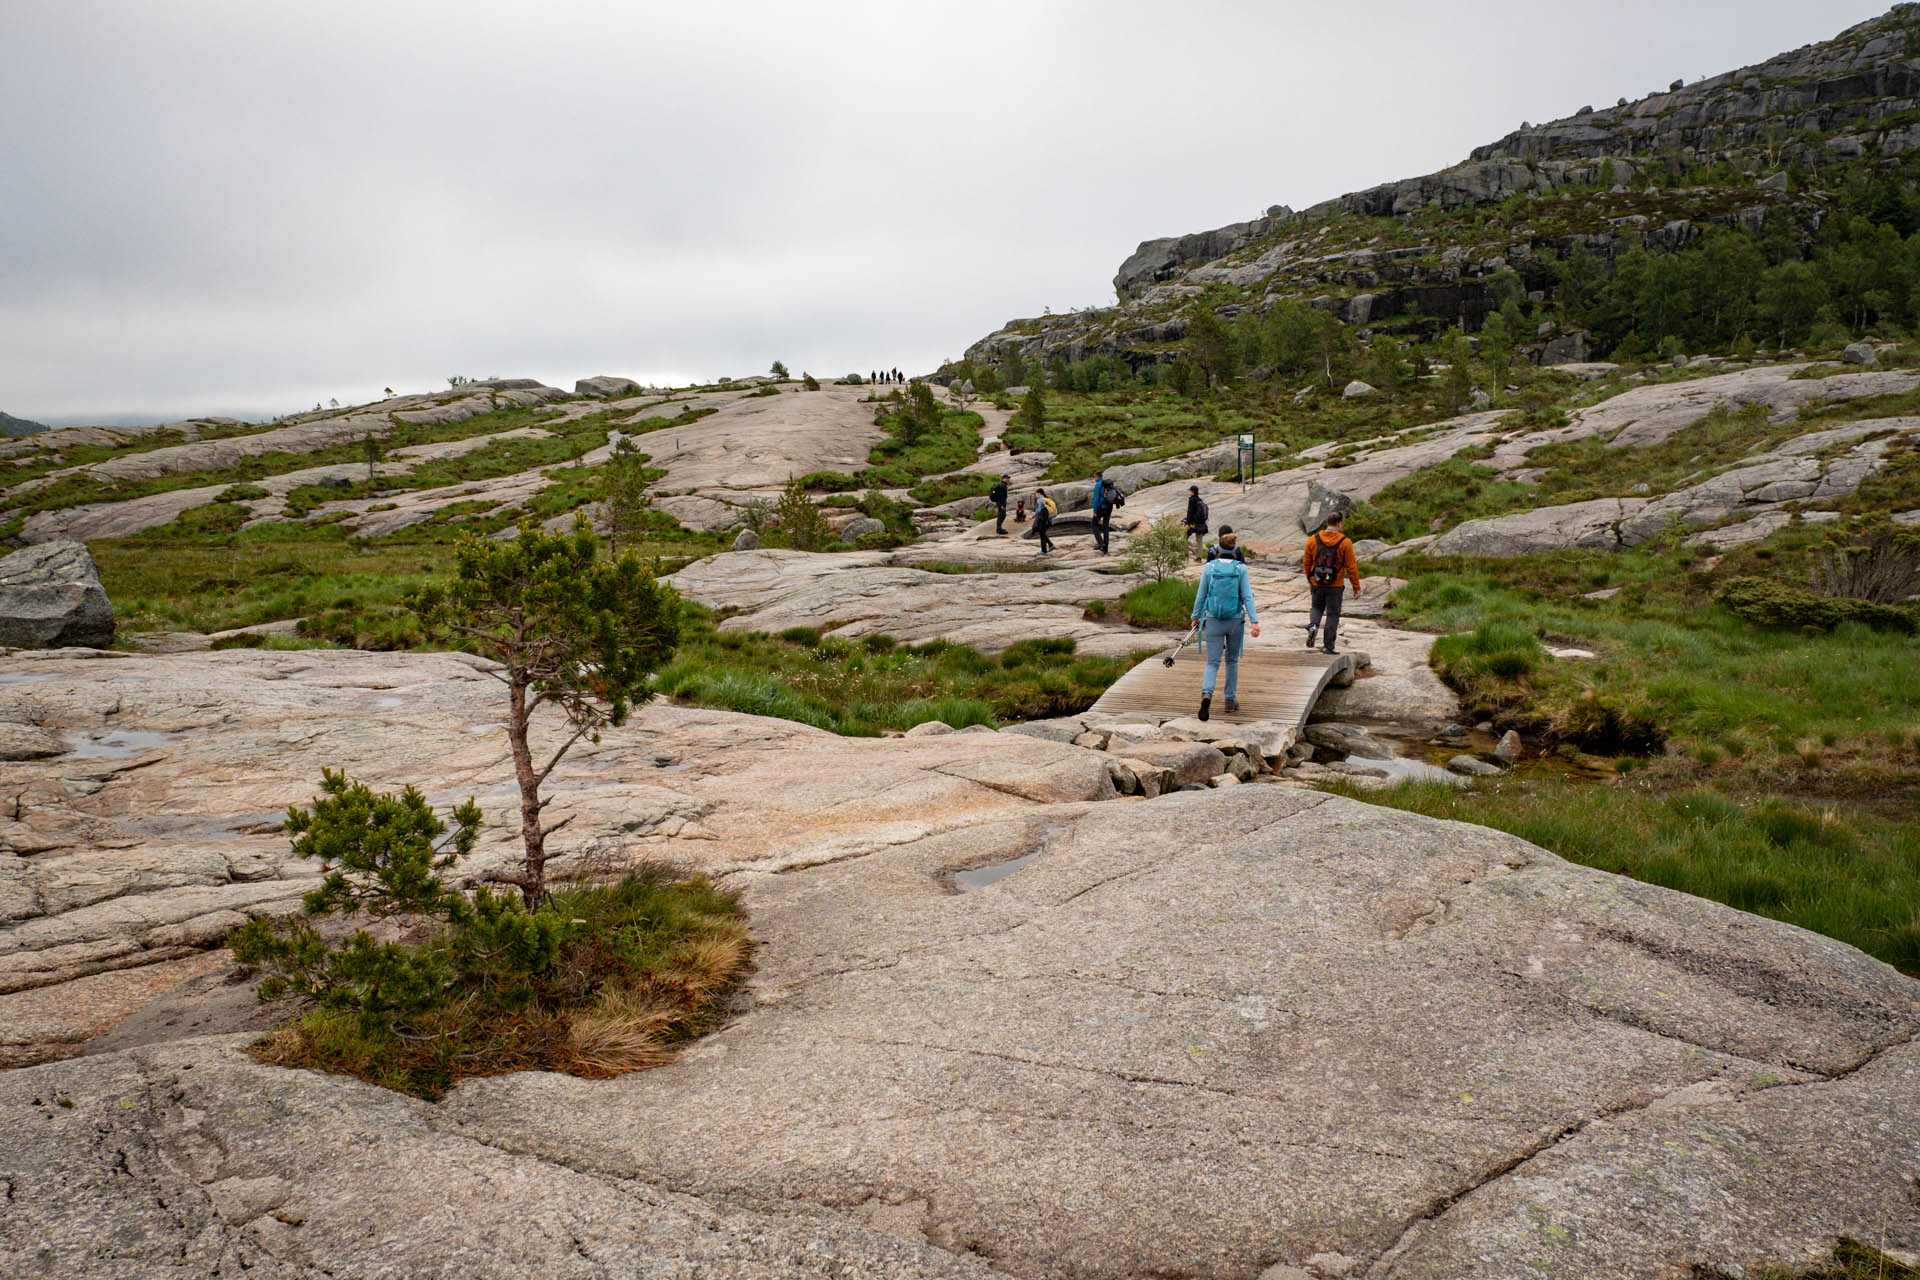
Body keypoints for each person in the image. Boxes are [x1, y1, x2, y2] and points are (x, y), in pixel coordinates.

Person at [1190, 528, 1260, 721]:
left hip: (1213, 619)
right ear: (1235, 549)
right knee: (1231, 660)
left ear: (1218, 549)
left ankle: (1207, 694)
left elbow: (1201, 595)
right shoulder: (1240, 568)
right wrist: (1254, 621)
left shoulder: (1210, 568)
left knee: (1212, 662)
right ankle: (1229, 700)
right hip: (1235, 620)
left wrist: (1195, 616)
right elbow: (1247, 596)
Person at [1302, 510, 1362, 655]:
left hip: (1317, 583)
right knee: (1333, 615)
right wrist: (1356, 587)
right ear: (1339, 524)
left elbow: (1306, 561)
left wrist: (1311, 579)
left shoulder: (1313, 539)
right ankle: (1329, 646)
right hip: (1335, 586)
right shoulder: (1345, 542)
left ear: (1327, 523)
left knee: (1316, 607)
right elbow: (1351, 567)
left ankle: (1313, 625)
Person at [1089, 471, 1113, 554]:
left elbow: (1096, 499)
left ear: (1097, 477)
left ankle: (1101, 544)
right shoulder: (1108, 484)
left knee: (1094, 524)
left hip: (1101, 508)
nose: (1093, 478)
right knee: (1105, 527)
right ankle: (1106, 548)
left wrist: (1095, 511)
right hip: (1109, 507)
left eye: (1094, 476)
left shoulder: (1098, 485)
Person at [1183, 485, 1209, 560]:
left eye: (1190, 490)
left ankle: (1185, 555)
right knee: (1199, 540)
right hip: (1201, 523)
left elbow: (1190, 512)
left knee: (1185, 537)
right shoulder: (1200, 500)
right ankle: (1199, 557)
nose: (1189, 492)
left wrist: (1187, 522)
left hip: (1193, 524)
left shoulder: (1192, 500)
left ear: (1193, 492)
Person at [1032, 488, 1057, 556]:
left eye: (1036, 493)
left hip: (1043, 520)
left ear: (1039, 493)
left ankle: (1044, 551)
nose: (1035, 495)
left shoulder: (1040, 500)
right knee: (1042, 533)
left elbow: (1039, 510)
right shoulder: (1046, 498)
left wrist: (1033, 516)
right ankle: (1051, 545)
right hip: (1048, 519)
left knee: (1042, 534)